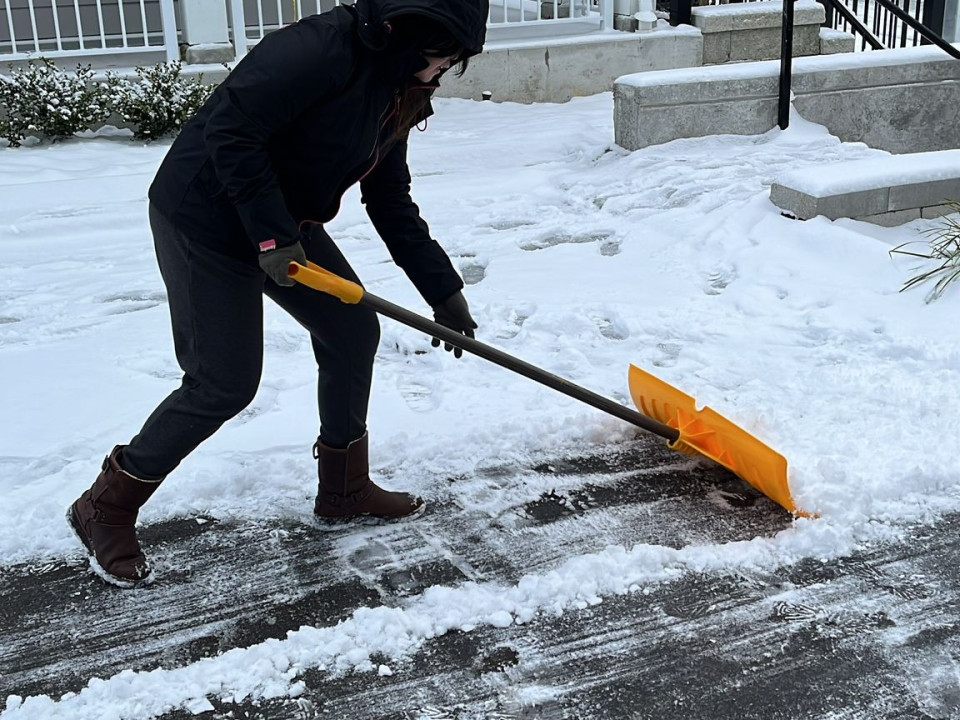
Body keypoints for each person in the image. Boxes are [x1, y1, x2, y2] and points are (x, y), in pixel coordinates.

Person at [66, 0, 489, 588]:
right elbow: (232, 130)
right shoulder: (317, 49)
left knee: (351, 330)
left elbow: (389, 198)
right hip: (207, 216)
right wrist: (270, 236)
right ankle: (105, 506)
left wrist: (442, 290)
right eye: (440, 59)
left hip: (281, 220)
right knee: (223, 381)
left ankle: (344, 490)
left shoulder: (399, 87)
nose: (440, 73)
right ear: (407, 34)